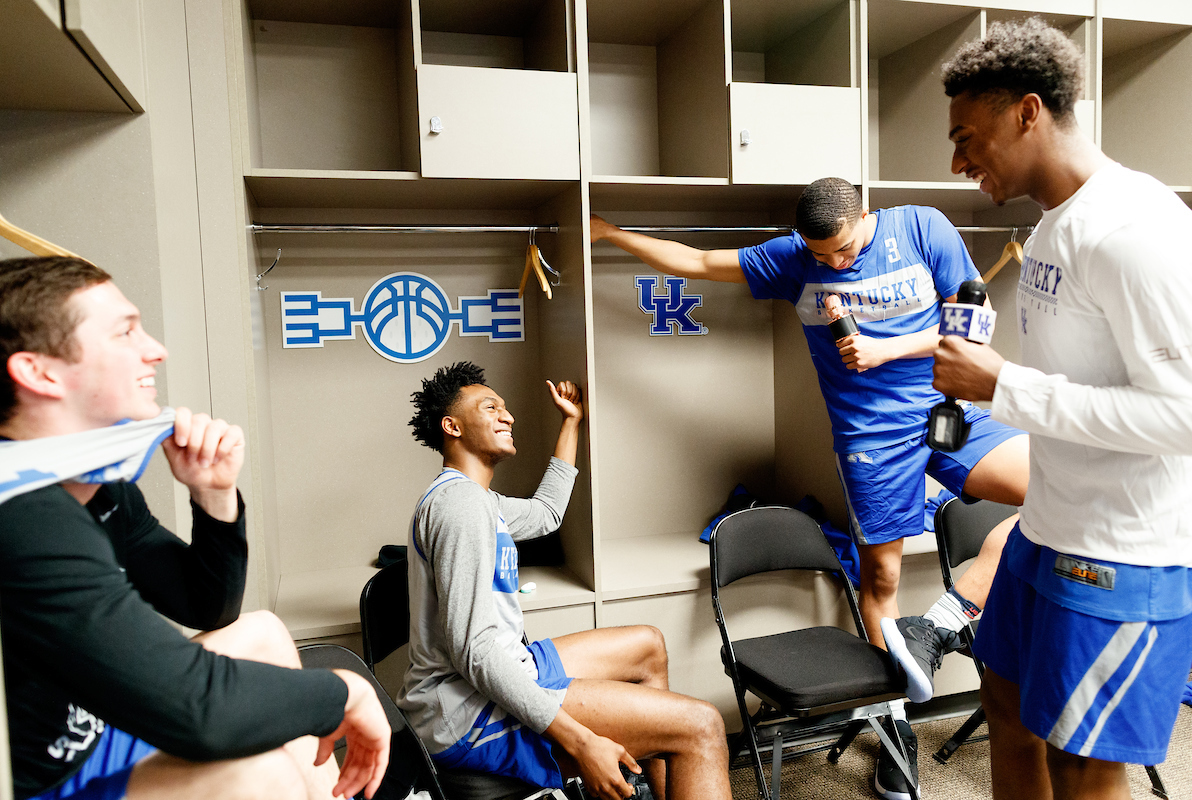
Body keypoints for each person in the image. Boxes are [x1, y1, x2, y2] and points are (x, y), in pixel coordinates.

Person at [591, 184, 1029, 800]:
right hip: (870, 440)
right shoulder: (794, 257)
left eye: (843, 250)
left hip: (947, 410)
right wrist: (610, 234)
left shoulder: (923, 228)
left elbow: (974, 328)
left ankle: (944, 620)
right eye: (820, 255)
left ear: (865, 217)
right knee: (879, 584)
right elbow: (696, 261)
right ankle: (894, 732)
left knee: (1059, 496)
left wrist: (887, 347)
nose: (832, 264)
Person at [0, 257, 391, 800]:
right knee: (262, 774)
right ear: (39, 372)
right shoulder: (22, 514)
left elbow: (205, 608)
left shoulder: (96, 485)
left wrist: (213, 493)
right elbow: (200, 709)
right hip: (41, 777)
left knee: (266, 633)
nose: (155, 349)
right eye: (126, 331)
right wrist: (345, 693)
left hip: (91, 725)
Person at [935, 18, 1192, 800]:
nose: (957, 160)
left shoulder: (1134, 229)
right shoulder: (1052, 226)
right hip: (1046, 530)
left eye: (966, 136)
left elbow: (1183, 414)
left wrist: (1002, 388)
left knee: (1084, 760)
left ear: (1028, 111)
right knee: (1006, 708)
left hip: (1121, 551)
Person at [401, 361, 731, 800]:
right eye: (491, 407)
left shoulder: (477, 499)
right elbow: (474, 652)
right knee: (702, 725)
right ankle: (681, 750)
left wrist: (571, 422)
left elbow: (546, 514)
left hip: (500, 666)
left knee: (647, 645)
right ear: (452, 426)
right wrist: (580, 739)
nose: (508, 416)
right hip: (465, 712)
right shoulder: (458, 506)